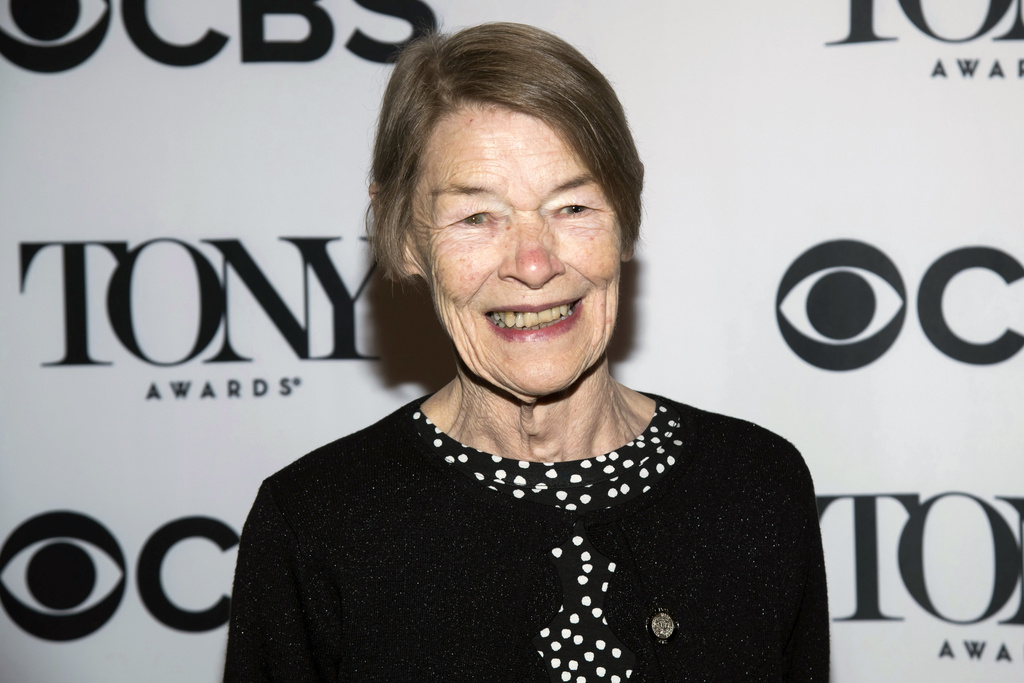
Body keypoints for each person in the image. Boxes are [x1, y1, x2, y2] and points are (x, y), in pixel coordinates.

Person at [224, 22, 828, 682]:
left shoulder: (757, 489)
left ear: (625, 219)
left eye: (571, 207)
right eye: (477, 217)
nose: (534, 265)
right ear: (403, 238)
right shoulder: (316, 527)